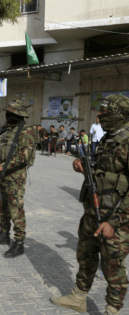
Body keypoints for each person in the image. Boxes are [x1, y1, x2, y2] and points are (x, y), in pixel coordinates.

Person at [51, 94, 129, 315]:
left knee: (113, 265)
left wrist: (114, 221)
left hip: (117, 218)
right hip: (93, 210)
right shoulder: (108, 138)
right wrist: (84, 168)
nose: (99, 115)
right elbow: (105, 173)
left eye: (104, 112)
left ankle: (113, 309)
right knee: (85, 254)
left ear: (119, 115)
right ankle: (78, 298)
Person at [0, 100, 36, 258]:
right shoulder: (6, 130)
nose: (7, 115)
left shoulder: (26, 132)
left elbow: (24, 156)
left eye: (11, 113)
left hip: (15, 177)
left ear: (18, 115)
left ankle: (19, 242)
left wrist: (3, 166)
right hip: (2, 176)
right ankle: (4, 234)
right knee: (2, 206)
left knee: (16, 209)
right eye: (7, 113)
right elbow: (3, 149)